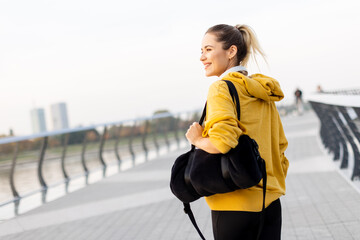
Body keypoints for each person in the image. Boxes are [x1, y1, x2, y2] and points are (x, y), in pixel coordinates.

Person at [185, 24, 289, 240]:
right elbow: (280, 146)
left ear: (231, 51)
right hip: (270, 203)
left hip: (235, 206)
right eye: (201, 51)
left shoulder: (221, 88)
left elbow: (222, 142)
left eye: (208, 49)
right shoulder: (262, 90)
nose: (202, 57)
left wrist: (198, 139)